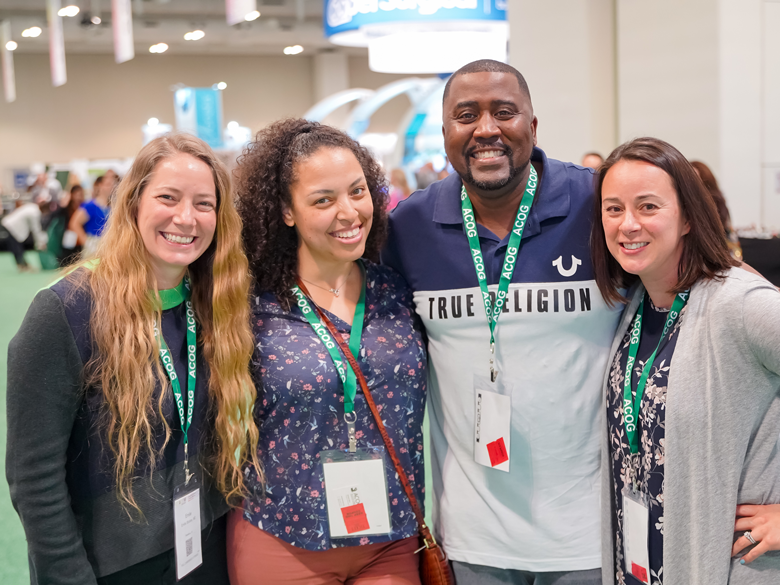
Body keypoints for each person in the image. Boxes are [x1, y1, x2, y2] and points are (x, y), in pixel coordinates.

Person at [382, 59, 621, 584]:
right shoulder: (409, 227)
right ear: (445, 132)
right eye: (466, 115)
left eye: (504, 112)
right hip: (472, 539)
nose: (486, 129)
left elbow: (709, 282)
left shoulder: (597, 202)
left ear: (532, 126)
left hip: (591, 534)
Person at [7, 134, 259, 584]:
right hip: (110, 566)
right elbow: (33, 475)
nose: (186, 217)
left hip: (205, 549)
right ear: (134, 202)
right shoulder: (66, 310)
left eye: (204, 203)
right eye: (168, 197)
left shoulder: (215, 303)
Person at [230, 118, 428, 584]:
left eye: (357, 192)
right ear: (286, 211)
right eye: (323, 200)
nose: (349, 212)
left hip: (390, 537)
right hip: (283, 536)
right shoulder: (251, 304)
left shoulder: (396, 290)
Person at [592, 137, 780, 585]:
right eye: (614, 209)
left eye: (648, 206)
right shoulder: (636, 304)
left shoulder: (740, 304)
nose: (628, 224)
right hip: (640, 565)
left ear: (689, 217)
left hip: (726, 567)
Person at [690, 160, 743, 260]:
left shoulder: (716, 204)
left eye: (694, 179)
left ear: (706, 181)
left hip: (715, 255)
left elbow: (728, 234)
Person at [69, 170, 118, 258]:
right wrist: (87, 242)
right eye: (107, 184)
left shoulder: (112, 207)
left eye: (112, 185)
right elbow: (74, 223)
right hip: (94, 244)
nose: (111, 187)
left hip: (108, 245)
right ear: (100, 185)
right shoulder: (90, 206)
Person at [1, 194, 49, 271]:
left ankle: (23, 265)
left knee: (17, 246)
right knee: (16, 246)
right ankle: (22, 266)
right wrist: (41, 242)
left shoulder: (33, 207)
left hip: (10, 225)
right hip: (10, 226)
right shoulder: (35, 213)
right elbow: (35, 229)